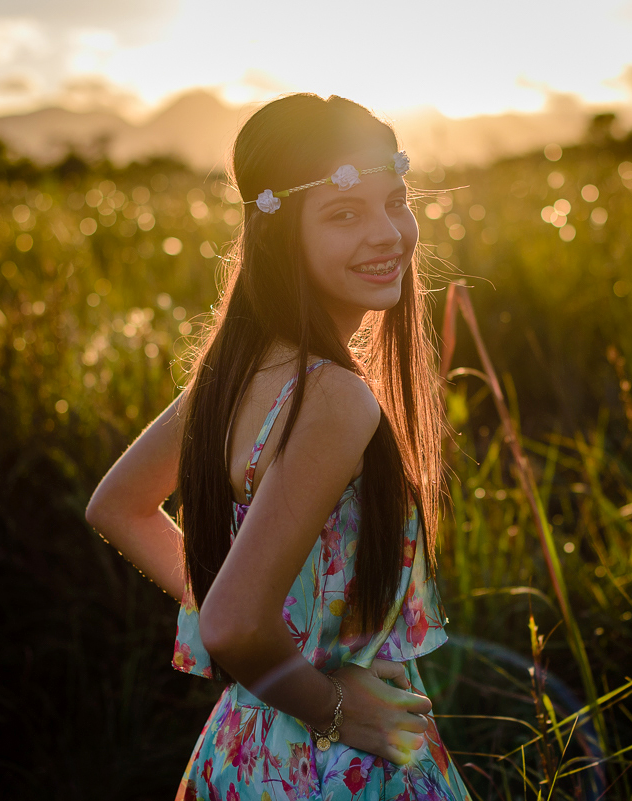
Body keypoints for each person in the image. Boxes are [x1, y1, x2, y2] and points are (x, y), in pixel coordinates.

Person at [85, 93, 473, 800]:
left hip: (247, 743)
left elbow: (118, 505)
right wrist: (332, 702)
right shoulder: (332, 397)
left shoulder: (237, 369)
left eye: (397, 200)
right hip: (333, 763)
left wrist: (274, 629)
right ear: (279, 233)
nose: (389, 233)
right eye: (345, 214)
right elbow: (233, 620)